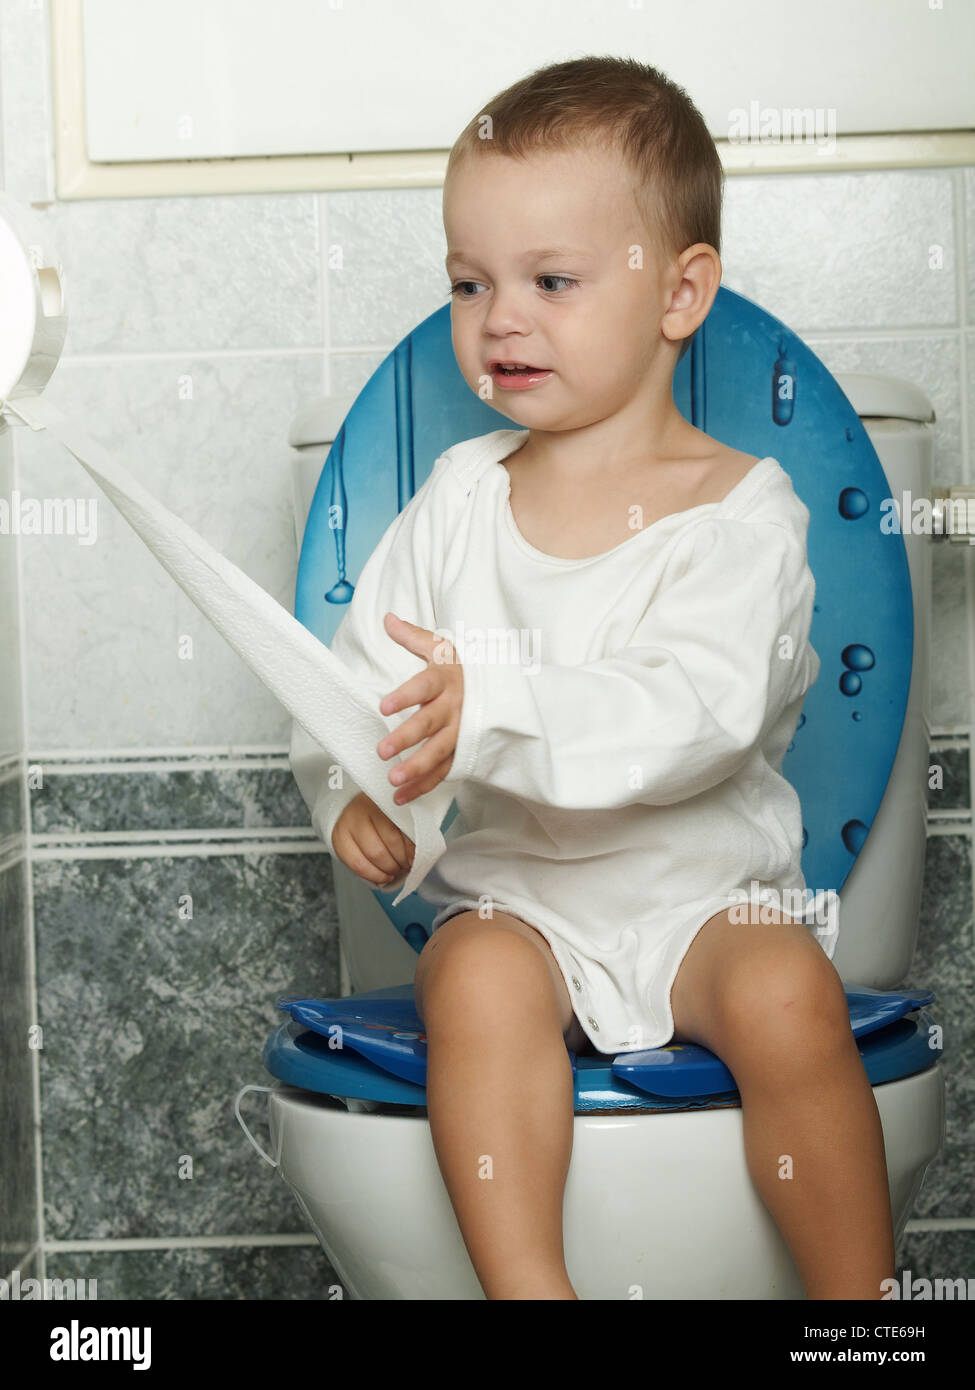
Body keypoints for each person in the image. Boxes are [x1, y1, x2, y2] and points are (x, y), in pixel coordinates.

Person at [322, 55, 895, 1300]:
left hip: (703, 901)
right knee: (465, 974)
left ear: (681, 292)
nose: (498, 318)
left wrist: (499, 708)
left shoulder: (739, 513)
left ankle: (864, 1314)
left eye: (551, 281)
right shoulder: (456, 501)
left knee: (790, 987)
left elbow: (697, 712)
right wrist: (370, 792)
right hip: (520, 904)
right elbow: (366, 684)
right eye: (469, 282)